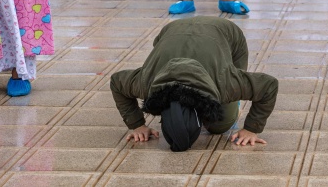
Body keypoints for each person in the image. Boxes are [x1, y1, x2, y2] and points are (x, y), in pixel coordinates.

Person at [110, 17, 278, 151]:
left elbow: (269, 86)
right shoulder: (146, 83)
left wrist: (251, 129)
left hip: (225, 31)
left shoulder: (225, 83)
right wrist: (137, 125)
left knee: (221, 125)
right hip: (172, 30)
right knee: (220, 115)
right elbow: (117, 82)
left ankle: (233, 105)